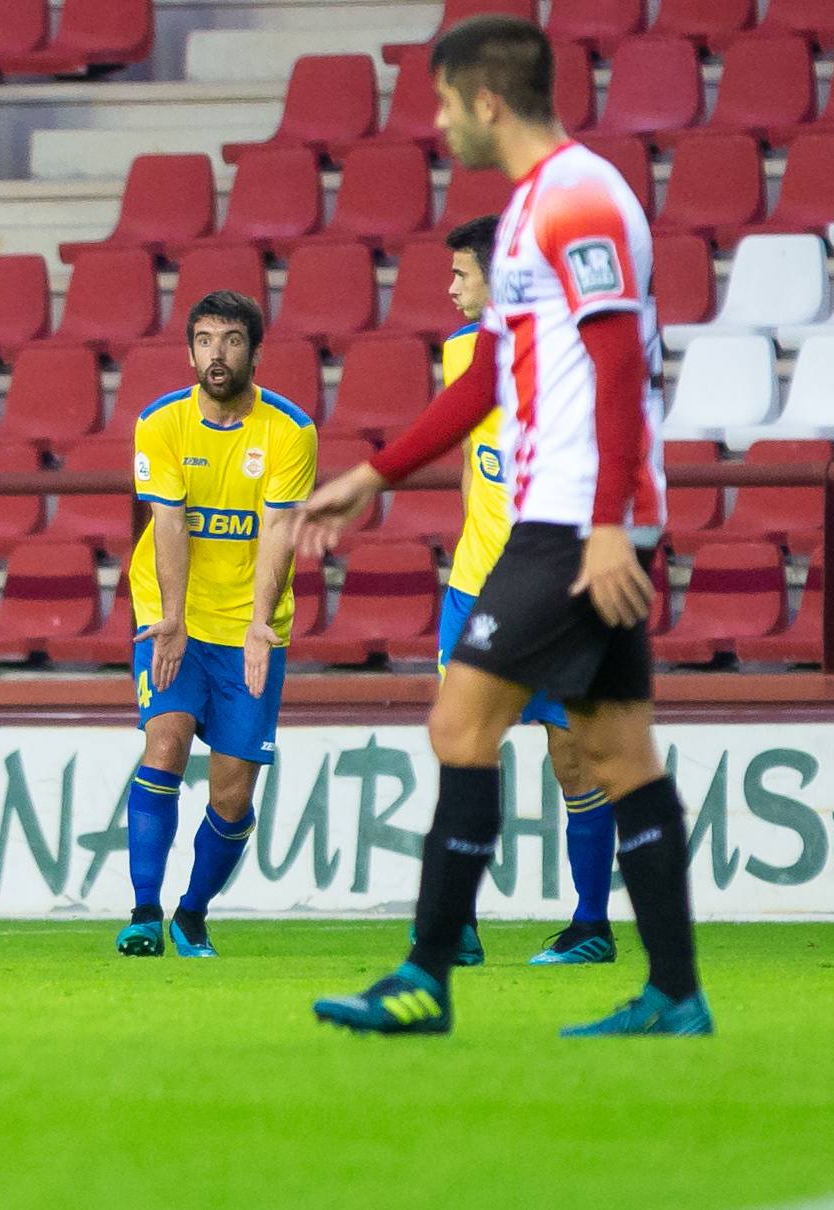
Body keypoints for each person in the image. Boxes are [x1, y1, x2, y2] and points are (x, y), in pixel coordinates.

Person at [300, 17, 711, 1036]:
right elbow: (485, 377)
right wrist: (373, 473)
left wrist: (610, 523)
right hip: (572, 513)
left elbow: (616, 360)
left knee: (458, 725)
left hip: (574, 519)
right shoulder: (529, 207)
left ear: (486, 101)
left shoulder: (578, 197)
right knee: (619, 754)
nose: (435, 125)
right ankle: (673, 992)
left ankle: (423, 978)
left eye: (443, 103)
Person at [427, 215, 617, 967]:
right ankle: (457, 926)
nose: (449, 289)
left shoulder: (581, 363)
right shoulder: (459, 353)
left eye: (460, 275)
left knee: (573, 760)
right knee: (462, 754)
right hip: (475, 590)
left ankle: (590, 925)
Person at [116, 290, 317, 959]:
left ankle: (191, 913)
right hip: (173, 618)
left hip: (248, 632)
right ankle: (144, 912)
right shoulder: (160, 423)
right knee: (165, 744)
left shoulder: (289, 431)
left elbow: (278, 530)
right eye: (204, 340)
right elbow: (166, 522)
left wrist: (259, 624)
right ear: (190, 350)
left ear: (254, 352)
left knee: (231, 795)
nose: (216, 354)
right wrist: (169, 620)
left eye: (231, 340)